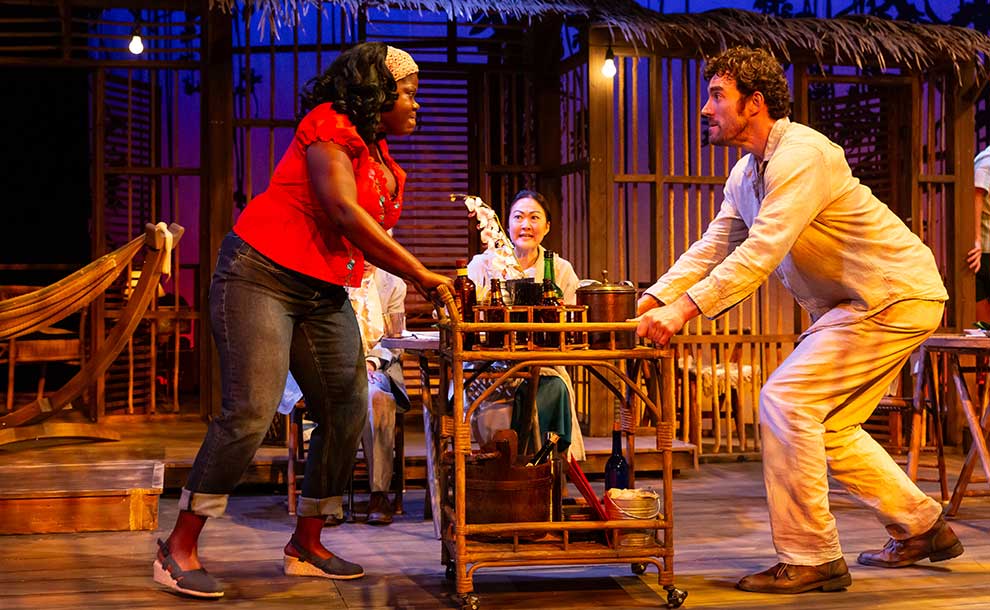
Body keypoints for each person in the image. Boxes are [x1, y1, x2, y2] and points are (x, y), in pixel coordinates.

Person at [634, 46, 961, 595]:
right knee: (827, 426)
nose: (706, 108)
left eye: (717, 96)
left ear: (754, 102)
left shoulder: (804, 154)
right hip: (861, 303)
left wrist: (684, 310)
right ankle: (923, 525)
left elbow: (761, 252)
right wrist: (653, 298)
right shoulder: (746, 174)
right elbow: (715, 245)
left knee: (786, 401)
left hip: (890, 294)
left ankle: (812, 557)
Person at [152, 42, 451, 598]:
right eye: (408, 93)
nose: (417, 104)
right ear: (376, 92)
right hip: (259, 274)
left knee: (346, 404)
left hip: (321, 289)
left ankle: (306, 544)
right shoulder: (329, 125)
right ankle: (179, 546)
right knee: (250, 410)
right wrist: (421, 274)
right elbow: (341, 210)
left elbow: (363, 228)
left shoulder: (380, 155)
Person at [467, 189, 585, 460]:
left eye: (534, 217)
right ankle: (509, 469)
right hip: (488, 369)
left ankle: (545, 469)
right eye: (518, 217)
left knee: (554, 389)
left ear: (547, 226)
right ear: (506, 224)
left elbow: (569, 325)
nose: (526, 225)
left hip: (543, 365)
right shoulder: (483, 265)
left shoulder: (559, 269)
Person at [351, 263, 410, 526]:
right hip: (335, 367)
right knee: (335, 399)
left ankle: (379, 493)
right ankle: (326, 495)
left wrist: (371, 363)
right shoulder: (331, 275)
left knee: (377, 398)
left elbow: (396, 337)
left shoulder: (392, 283)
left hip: (377, 367)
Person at [967, 145, 990, 323]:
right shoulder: (986, 162)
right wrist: (975, 240)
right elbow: (976, 195)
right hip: (984, 253)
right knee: (983, 326)